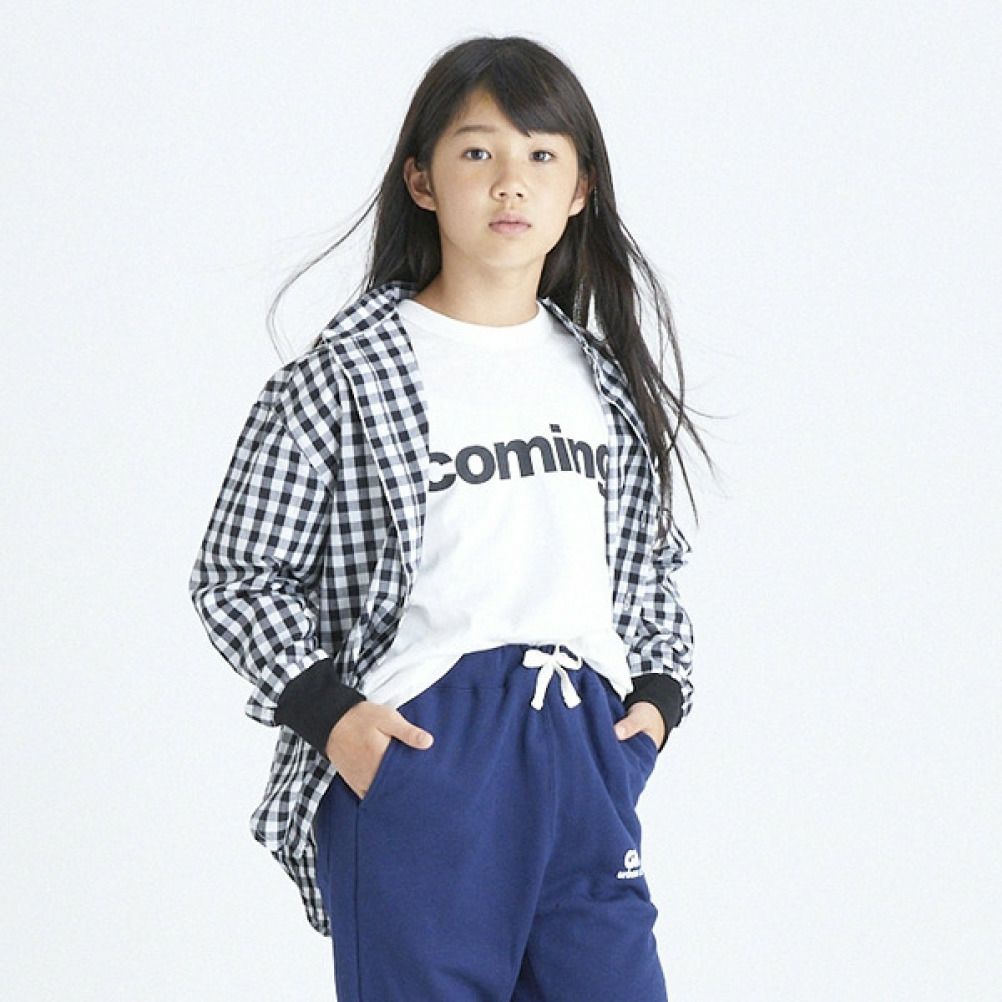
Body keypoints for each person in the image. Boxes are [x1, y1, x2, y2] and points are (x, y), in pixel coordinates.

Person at [189, 33, 715, 1002]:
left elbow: (645, 569)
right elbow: (237, 575)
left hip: (585, 752)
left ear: (580, 190)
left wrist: (655, 705)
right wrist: (336, 721)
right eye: (477, 152)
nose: (510, 182)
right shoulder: (345, 376)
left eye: (541, 155)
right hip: (427, 752)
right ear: (422, 180)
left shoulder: (601, 382)